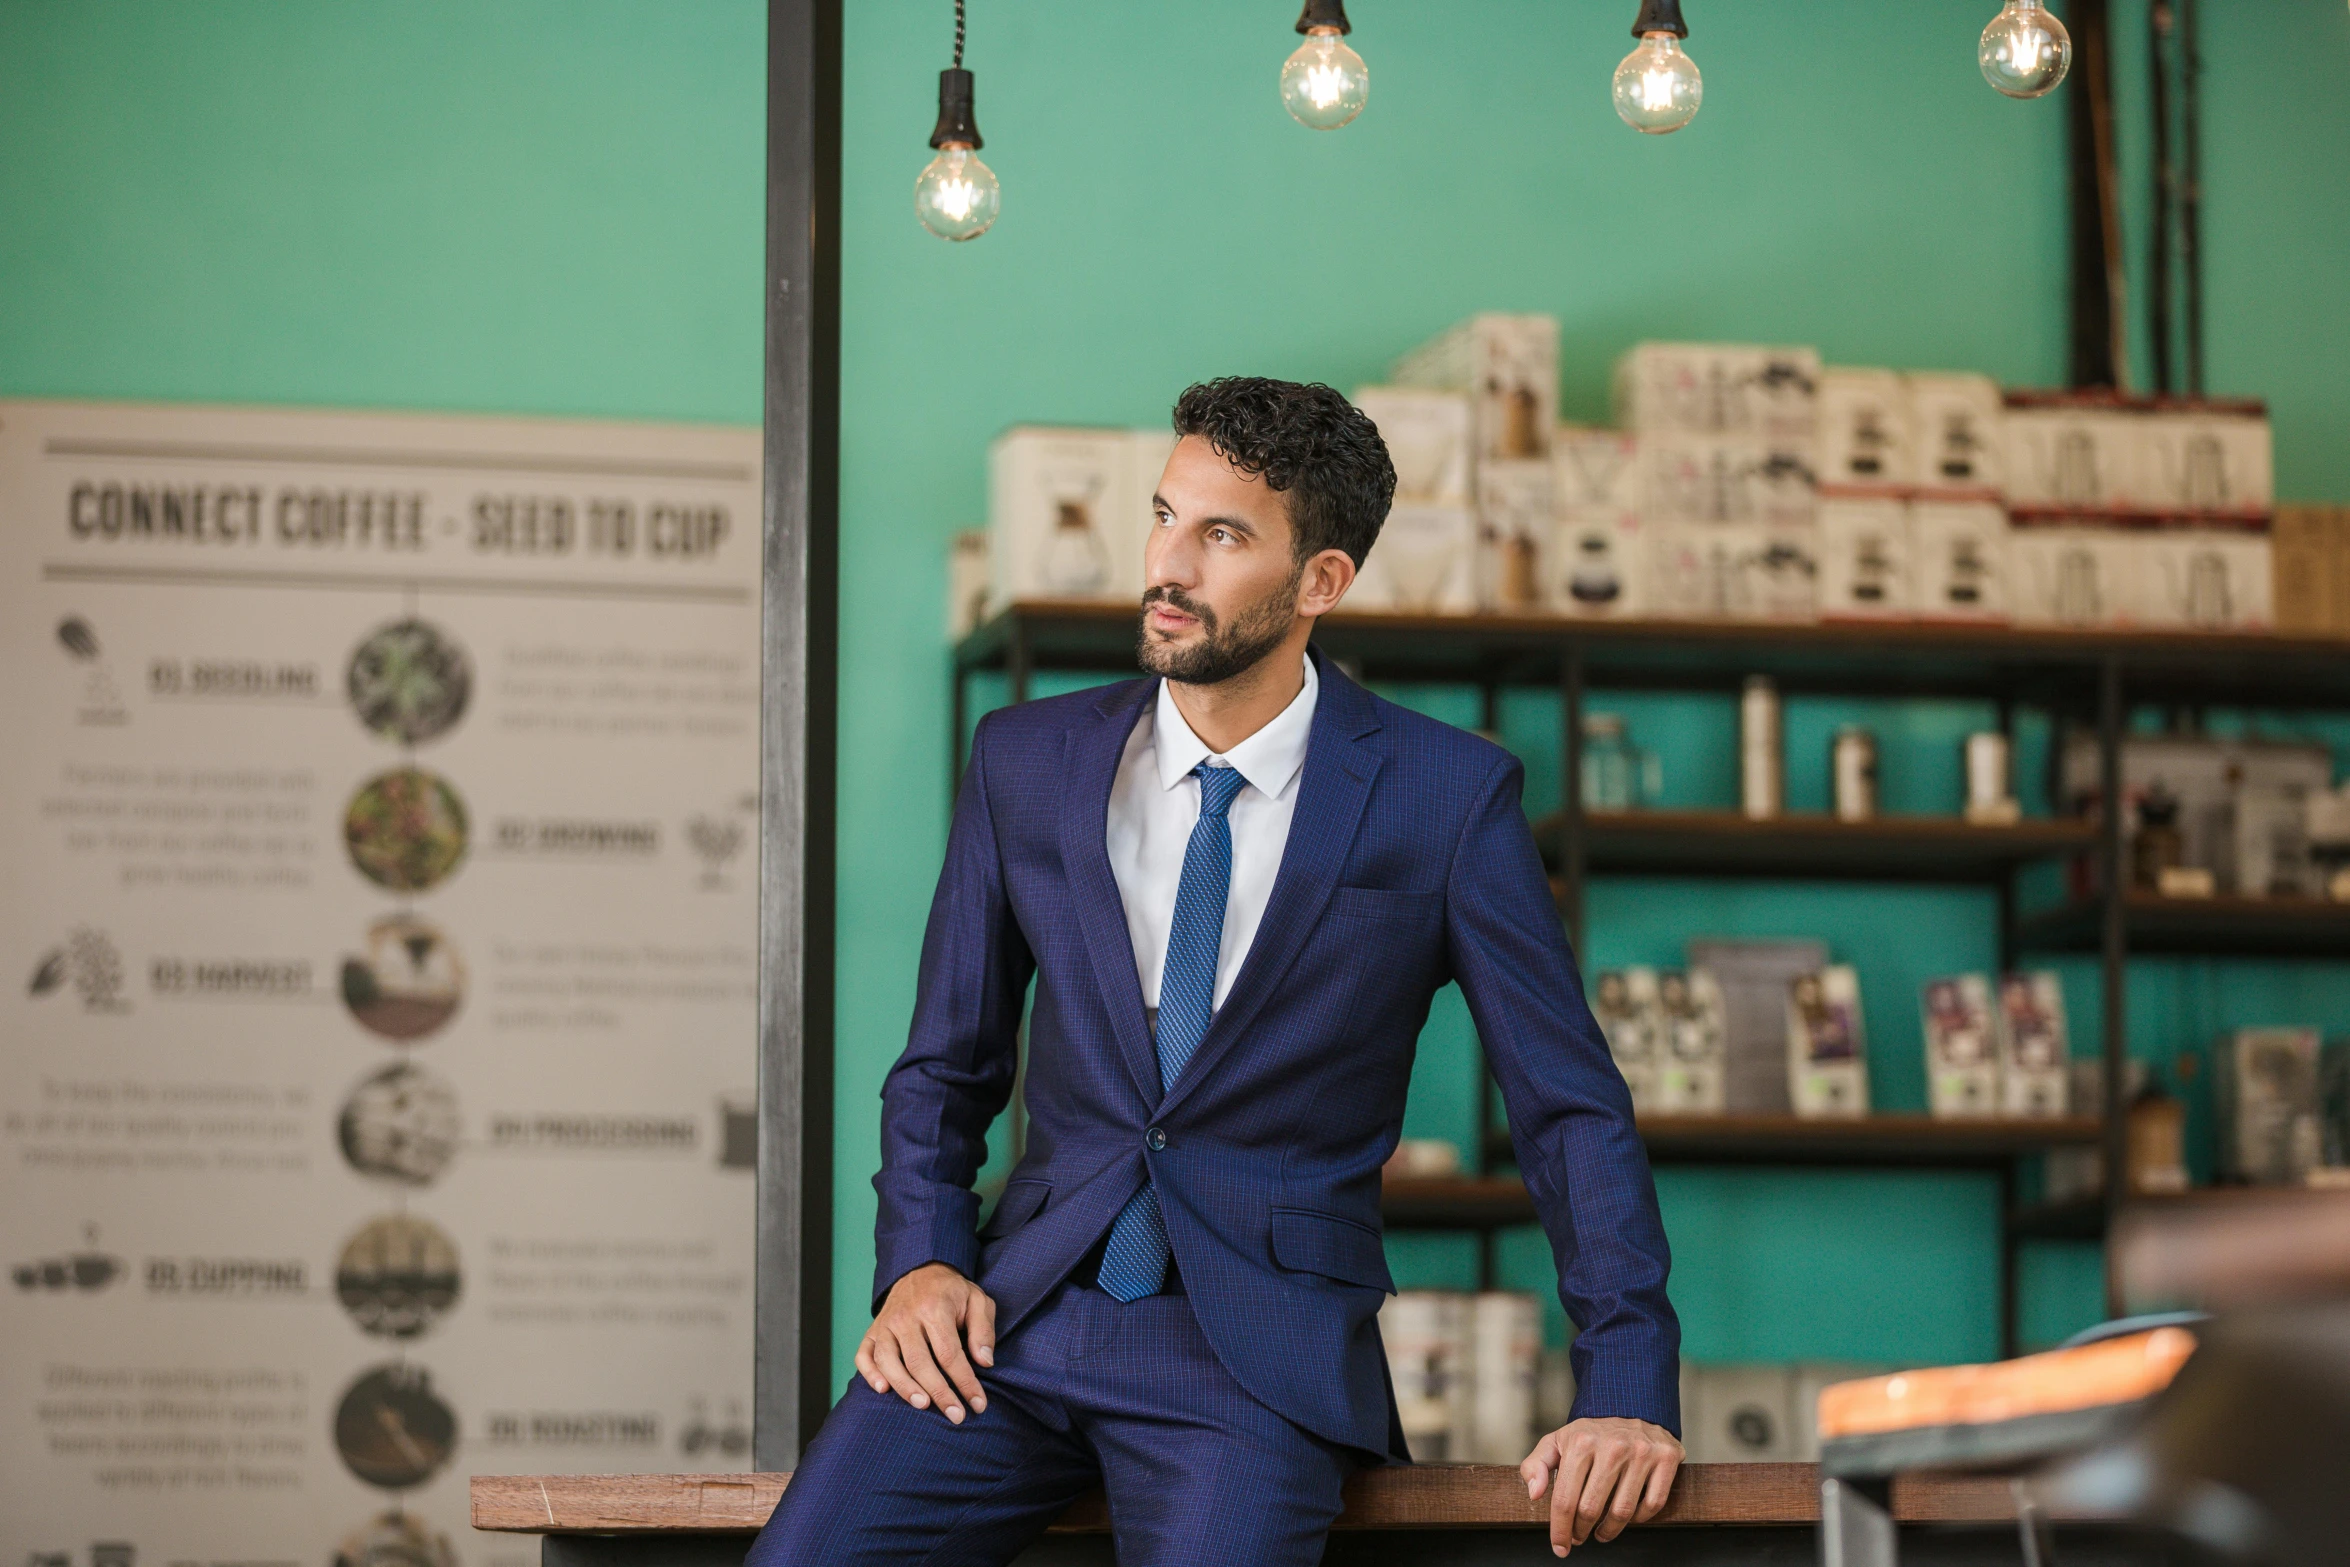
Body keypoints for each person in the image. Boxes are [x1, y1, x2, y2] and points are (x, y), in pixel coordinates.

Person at [748, 378, 1681, 1567]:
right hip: (1010, 1323)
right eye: (1162, 515)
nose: (1167, 564)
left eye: (1222, 534)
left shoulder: (1445, 798)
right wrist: (923, 1260)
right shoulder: (1025, 762)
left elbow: (1568, 1111)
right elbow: (946, 1061)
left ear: (1321, 582)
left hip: (1256, 1358)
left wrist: (1627, 1382)